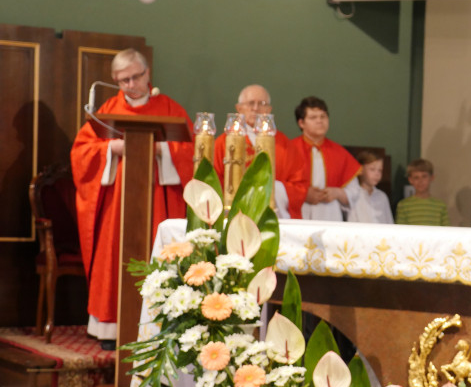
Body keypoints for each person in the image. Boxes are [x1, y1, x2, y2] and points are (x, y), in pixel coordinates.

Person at [71, 49, 194, 349]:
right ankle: (111, 331)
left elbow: (191, 154)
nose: (131, 84)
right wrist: (112, 148)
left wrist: (161, 151)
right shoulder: (107, 110)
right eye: (123, 79)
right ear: (115, 80)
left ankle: (158, 329)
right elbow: (81, 154)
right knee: (114, 259)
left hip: (157, 202)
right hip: (118, 208)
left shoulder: (170, 109)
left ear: (148, 73)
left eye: (136, 76)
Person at [212, 84, 290, 215]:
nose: (256, 108)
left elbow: (298, 184)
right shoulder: (224, 142)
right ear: (239, 108)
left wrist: (274, 188)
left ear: (269, 109)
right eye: (250, 103)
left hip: (274, 212)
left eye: (262, 104)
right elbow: (215, 180)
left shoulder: (283, 143)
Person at [284, 96, 361, 220]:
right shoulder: (289, 150)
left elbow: (355, 191)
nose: (320, 121)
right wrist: (303, 194)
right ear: (301, 123)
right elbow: (278, 186)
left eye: (323, 116)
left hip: (330, 215)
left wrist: (337, 193)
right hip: (298, 213)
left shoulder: (339, 153)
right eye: (313, 117)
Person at [395, 159, 449, 226]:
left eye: (424, 176)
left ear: (431, 178)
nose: (420, 181)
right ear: (410, 180)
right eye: (416, 177)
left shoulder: (440, 206)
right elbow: (400, 231)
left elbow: (446, 232)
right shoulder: (403, 205)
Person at [346, 150, 394, 224]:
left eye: (380, 170)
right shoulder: (353, 195)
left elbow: (389, 222)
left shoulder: (382, 196)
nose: (377, 174)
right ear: (360, 170)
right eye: (372, 169)